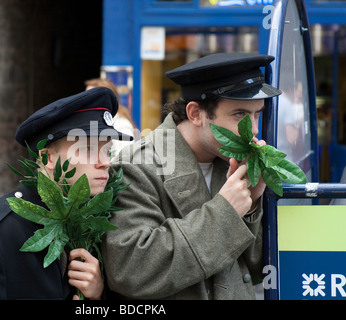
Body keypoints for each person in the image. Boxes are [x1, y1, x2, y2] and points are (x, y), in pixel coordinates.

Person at [101, 52, 282, 299]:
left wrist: (250, 207)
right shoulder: (137, 166)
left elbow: (258, 268)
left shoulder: (235, 161)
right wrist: (226, 211)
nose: (253, 129)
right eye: (239, 114)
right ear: (195, 113)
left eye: (257, 114)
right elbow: (131, 270)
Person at [0, 87, 132, 300]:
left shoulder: (97, 220)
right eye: (87, 149)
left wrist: (99, 295)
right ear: (48, 158)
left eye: (106, 150)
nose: (105, 162)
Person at [85, 78, 137, 156]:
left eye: (91, 97)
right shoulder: (93, 121)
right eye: (86, 96)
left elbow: (123, 160)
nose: (85, 101)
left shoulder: (121, 124)